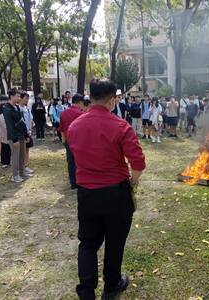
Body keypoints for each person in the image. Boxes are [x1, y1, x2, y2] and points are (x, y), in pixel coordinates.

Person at [68, 79, 146, 300]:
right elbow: (138, 163)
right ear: (112, 100)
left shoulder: (75, 126)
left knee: (88, 243)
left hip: (86, 193)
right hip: (116, 193)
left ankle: (86, 290)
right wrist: (133, 181)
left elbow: (75, 154)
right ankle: (111, 286)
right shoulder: (121, 126)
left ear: (90, 98)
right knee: (115, 242)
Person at [3, 88, 32, 183]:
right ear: (11, 96)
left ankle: (22, 172)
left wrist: (26, 134)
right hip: (14, 137)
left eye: (20, 96)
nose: (19, 98)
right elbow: (9, 126)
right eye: (17, 96)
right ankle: (14, 176)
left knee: (22, 155)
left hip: (22, 135)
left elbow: (22, 122)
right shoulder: (7, 109)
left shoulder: (17, 107)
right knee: (15, 156)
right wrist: (14, 139)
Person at [59, 93, 85, 190]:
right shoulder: (81, 114)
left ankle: (73, 183)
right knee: (80, 162)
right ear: (80, 102)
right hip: (79, 141)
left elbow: (61, 129)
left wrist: (64, 141)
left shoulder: (63, 113)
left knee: (70, 162)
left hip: (68, 141)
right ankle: (80, 181)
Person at [20, 92, 34, 174]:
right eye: (26, 98)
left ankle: (26, 165)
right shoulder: (18, 109)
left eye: (28, 98)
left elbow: (31, 120)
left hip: (28, 132)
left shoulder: (27, 109)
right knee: (22, 151)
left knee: (27, 149)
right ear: (21, 98)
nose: (27, 100)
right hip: (21, 133)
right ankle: (22, 166)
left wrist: (30, 130)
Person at [0, 96, 11, 168]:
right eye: (3, 100)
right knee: (4, 146)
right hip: (2, 130)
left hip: (9, 129)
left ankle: (8, 160)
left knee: (9, 146)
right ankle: (4, 162)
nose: (4, 102)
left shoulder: (9, 107)